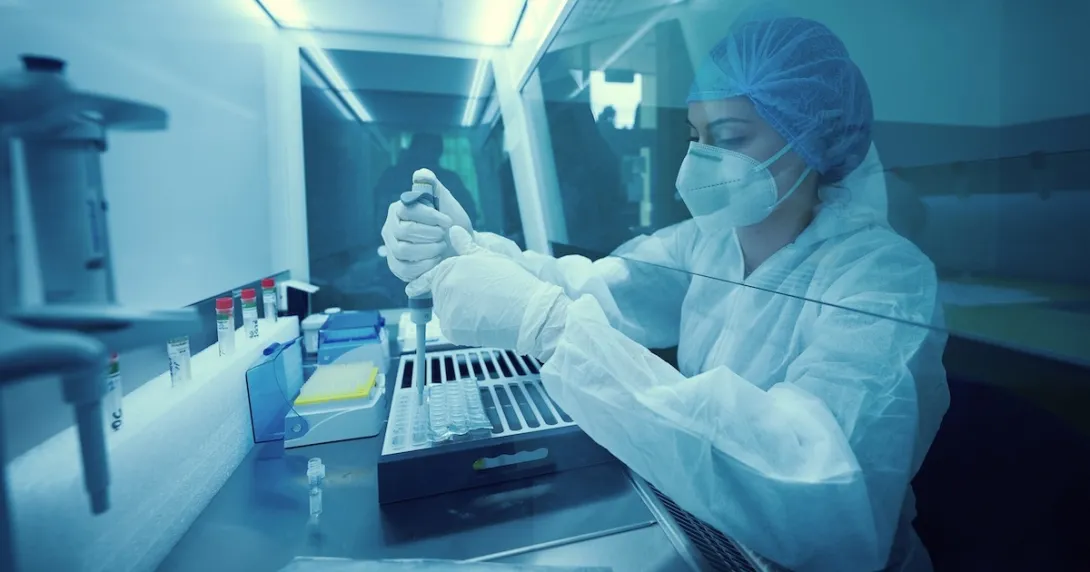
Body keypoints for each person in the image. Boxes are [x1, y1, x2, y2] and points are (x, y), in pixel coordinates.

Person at [381, 14, 949, 572]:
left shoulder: (884, 279)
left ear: (810, 136)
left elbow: (817, 490)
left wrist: (548, 325)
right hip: (713, 530)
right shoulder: (710, 244)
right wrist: (472, 248)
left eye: (727, 137)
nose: (700, 159)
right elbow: (603, 287)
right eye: (696, 136)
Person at [371, 132, 479, 233]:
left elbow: (468, 217)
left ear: (439, 152)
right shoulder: (393, 177)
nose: (427, 155)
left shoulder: (450, 180)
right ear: (413, 150)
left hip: (445, 246)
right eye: (423, 149)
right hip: (397, 244)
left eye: (432, 150)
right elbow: (380, 217)